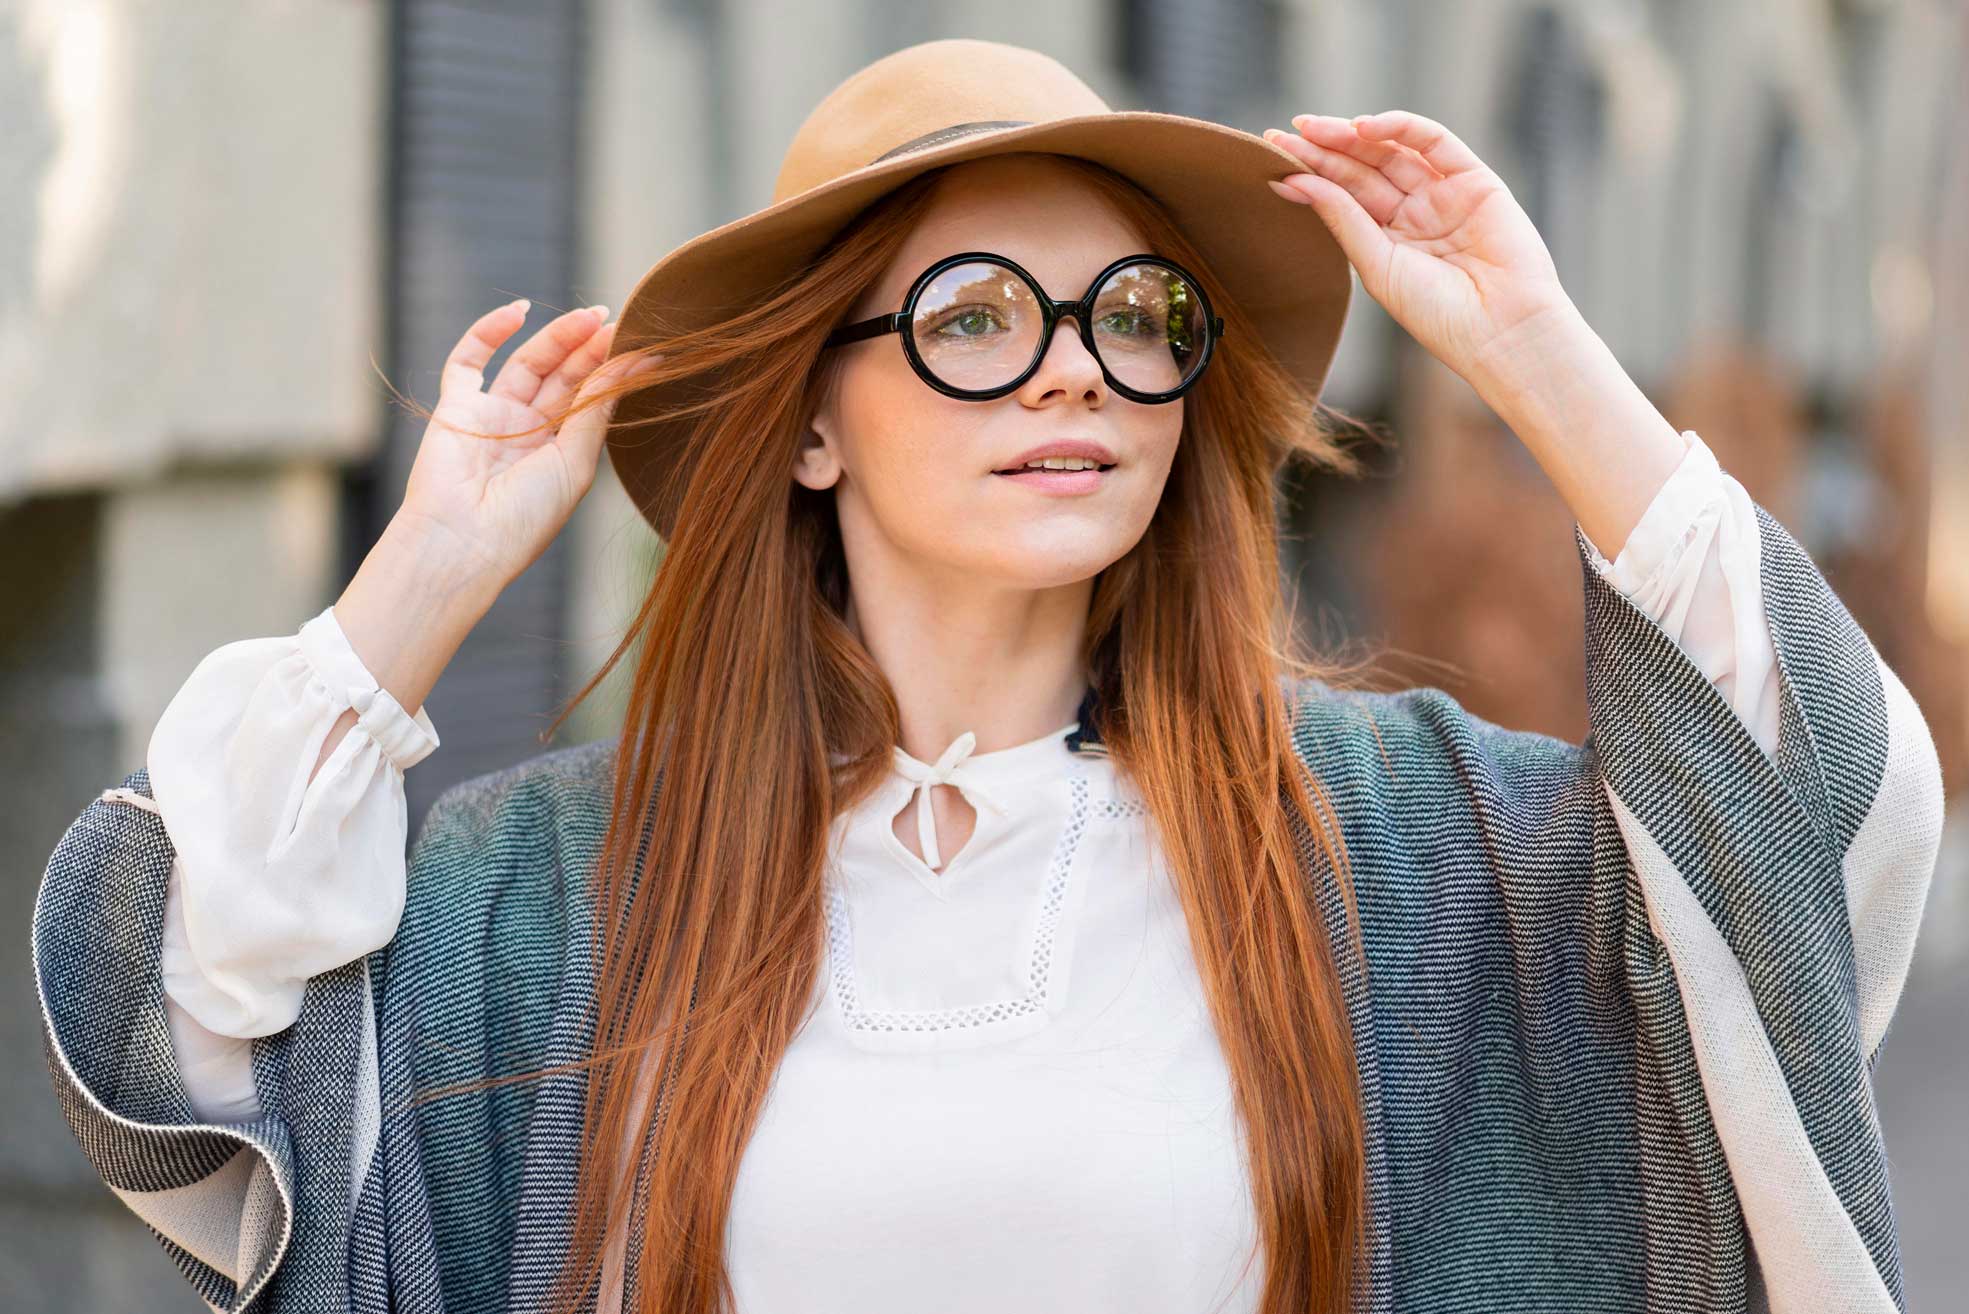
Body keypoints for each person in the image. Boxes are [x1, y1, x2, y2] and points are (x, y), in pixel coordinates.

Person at [34, 37, 1941, 1314]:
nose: (1073, 371)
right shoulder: (555, 894)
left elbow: (1812, 847)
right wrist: (432, 562)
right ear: (808, 423)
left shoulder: (1404, 849)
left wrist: (1531, 354)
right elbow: (179, 1010)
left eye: (1135, 316)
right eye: (971, 316)